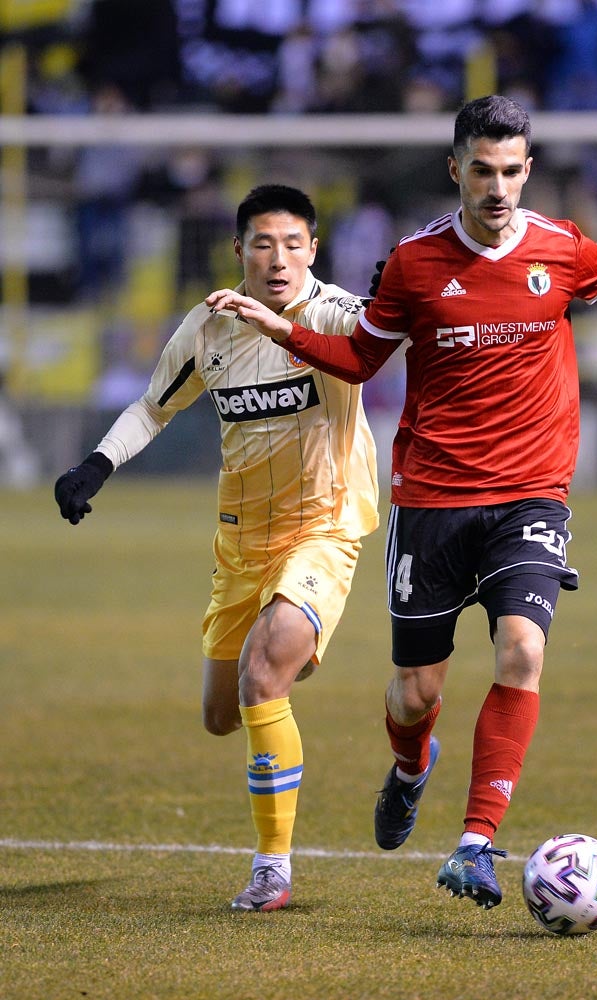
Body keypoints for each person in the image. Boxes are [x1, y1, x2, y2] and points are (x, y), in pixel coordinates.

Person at [206, 96, 597, 911]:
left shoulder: (562, 249)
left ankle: (476, 842)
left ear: (527, 170)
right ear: (456, 169)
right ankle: (412, 766)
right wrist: (280, 328)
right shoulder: (413, 263)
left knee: (522, 649)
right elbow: (360, 360)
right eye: (481, 170)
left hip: (530, 495)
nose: (497, 186)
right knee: (415, 690)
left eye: (511, 170)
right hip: (433, 499)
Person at [55, 184, 379, 912]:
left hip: (323, 529)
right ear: (239, 251)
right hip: (242, 542)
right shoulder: (210, 325)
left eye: (293, 244)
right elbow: (152, 407)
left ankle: (273, 869)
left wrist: (398, 302)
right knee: (221, 713)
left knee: (264, 677)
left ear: (314, 251)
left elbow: (376, 346)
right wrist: (95, 465)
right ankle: (279, 658)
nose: (278, 258)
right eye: (263, 244)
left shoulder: (331, 312)